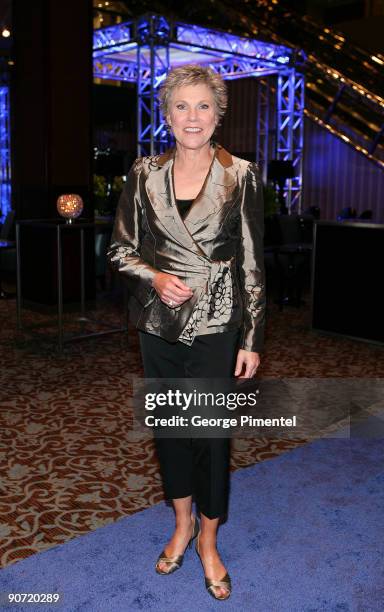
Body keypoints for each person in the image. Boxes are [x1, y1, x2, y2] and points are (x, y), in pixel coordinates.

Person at [107, 64, 266, 601]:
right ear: (167, 114)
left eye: (203, 106)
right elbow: (119, 250)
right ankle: (180, 525)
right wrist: (153, 275)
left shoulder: (240, 174)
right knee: (172, 429)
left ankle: (209, 540)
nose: (192, 117)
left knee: (211, 436)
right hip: (158, 323)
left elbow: (250, 263)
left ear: (218, 115)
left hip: (218, 322)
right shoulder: (143, 172)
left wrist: (251, 338)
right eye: (181, 106)